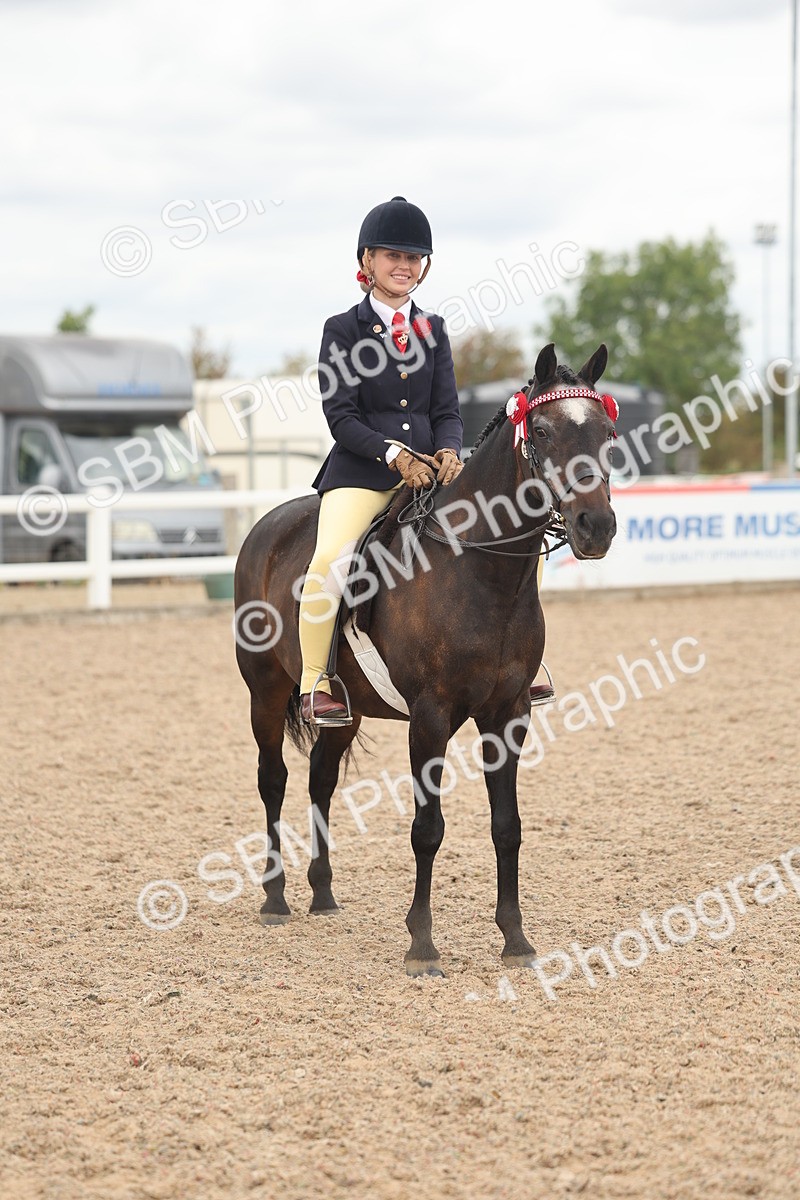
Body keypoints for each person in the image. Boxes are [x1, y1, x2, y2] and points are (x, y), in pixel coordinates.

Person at [298, 196, 464, 724]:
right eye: (393, 255)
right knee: (329, 563)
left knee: (511, 531)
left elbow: (447, 410)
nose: (404, 266)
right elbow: (341, 415)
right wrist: (394, 455)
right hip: (364, 472)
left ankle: (520, 661)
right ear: (367, 261)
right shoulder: (342, 329)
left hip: (431, 475)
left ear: (425, 266)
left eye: (414, 258)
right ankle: (314, 681)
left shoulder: (433, 330)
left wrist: (449, 449)